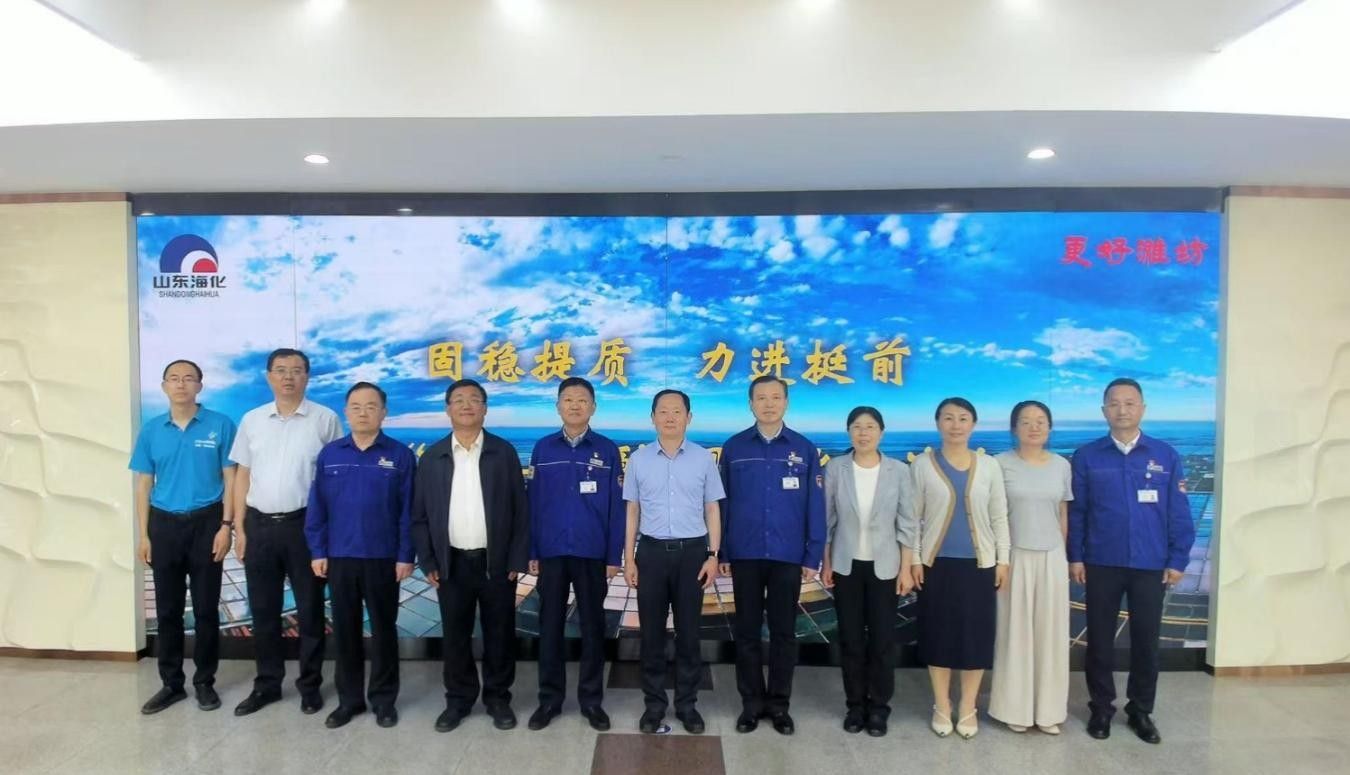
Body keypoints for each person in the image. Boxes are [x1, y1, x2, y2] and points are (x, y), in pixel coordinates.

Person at [1069, 378, 1195, 744]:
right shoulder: (1087, 456)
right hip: (1101, 562)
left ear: (1142, 408)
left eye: (1129, 403)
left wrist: (1178, 558)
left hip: (1150, 564)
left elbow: (1178, 512)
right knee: (1100, 641)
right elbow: (1078, 512)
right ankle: (1101, 709)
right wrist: (1076, 556)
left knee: (1145, 641)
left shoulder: (1165, 455)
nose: (1121, 410)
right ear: (1104, 410)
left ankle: (1140, 711)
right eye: (1114, 403)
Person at [412, 378, 530, 734]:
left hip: (496, 564)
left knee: (499, 634)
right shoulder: (432, 457)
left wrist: (517, 559)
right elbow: (419, 516)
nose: (466, 405)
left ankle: (498, 699)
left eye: (474, 399)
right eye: (459, 400)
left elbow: (521, 510)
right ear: (448, 409)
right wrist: (428, 561)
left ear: (485, 408)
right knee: (455, 636)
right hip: (451, 564)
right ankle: (458, 700)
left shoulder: (503, 452)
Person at [229, 348, 342, 717]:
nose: (288, 377)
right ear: (269, 377)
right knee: (263, 610)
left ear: (307, 377)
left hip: (305, 527)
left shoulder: (325, 420)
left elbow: (334, 479)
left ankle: (310, 686)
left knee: (310, 611)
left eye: (296, 370)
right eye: (280, 370)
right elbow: (242, 475)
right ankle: (267, 685)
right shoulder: (252, 420)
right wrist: (239, 528)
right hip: (259, 525)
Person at [718, 375, 826, 736]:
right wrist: (722, 551)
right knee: (747, 633)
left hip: (787, 555)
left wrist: (812, 555)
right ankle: (751, 705)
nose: (768, 404)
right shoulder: (734, 447)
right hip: (745, 554)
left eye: (775, 397)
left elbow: (815, 505)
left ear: (786, 402)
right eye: (761, 398)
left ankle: (779, 706)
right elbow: (722, 504)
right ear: (750, 404)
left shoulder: (804, 449)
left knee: (783, 634)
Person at [305, 381, 415, 729]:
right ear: (346, 412)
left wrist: (405, 555)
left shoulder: (400, 455)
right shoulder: (330, 454)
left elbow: (409, 511)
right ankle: (349, 701)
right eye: (356, 406)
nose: (363, 412)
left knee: (383, 631)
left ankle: (383, 700)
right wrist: (318, 551)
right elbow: (318, 507)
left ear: (384, 413)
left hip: (383, 558)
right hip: (340, 557)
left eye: (371, 406)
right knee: (345, 632)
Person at [131, 359, 237, 715]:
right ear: (164, 386)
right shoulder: (151, 430)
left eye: (188, 378)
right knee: (168, 610)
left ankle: (205, 682)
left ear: (199, 386)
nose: (181, 384)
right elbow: (143, 484)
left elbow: (231, 478)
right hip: (163, 525)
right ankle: (171, 684)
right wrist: (144, 535)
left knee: (206, 609)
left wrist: (226, 526)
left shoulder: (220, 425)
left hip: (208, 522)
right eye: (174, 379)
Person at [623, 389, 724, 735]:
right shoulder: (638, 459)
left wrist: (713, 555)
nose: (670, 417)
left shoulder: (703, 458)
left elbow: (712, 508)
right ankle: (654, 706)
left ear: (688, 417)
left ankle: (687, 705)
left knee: (689, 634)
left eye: (676, 411)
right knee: (651, 634)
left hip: (692, 553)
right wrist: (629, 558)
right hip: (650, 553)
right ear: (652, 417)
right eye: (663, 411)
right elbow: (632, 510)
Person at [525, 377, 623, 732]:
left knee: (592, 627)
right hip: (551, 552)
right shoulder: (543, 448)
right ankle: (549, 700)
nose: (575, 405)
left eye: (582, 400)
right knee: (549, 626)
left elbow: (616, 508)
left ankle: (591, 701)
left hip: (591, 552)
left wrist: (613, 557)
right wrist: (532, 550)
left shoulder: (607, 450)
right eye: (568, 399)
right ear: (558, 406)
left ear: (593, 407)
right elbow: (532, 503)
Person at [910, 397, 1010, 740]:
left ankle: (968, 705)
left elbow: (999, 516)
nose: (956, 425)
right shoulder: (922, 465)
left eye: (963, 418)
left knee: (975, 638)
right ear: (938, 423)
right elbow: (913, 518)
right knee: (938, 635)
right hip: (935, 566)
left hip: (980, 565)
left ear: (973, 424)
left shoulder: (989, 466)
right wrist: (914, 559)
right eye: (949, 418)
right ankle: (942, 704)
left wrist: (1003, 559)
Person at [821, 406, 917, 737]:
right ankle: (855, 706)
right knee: (850, 640)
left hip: (886, 566)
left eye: (870, 426)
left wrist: (906, 568)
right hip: (846, 565)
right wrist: (827, 562)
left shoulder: (898, 471)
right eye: (857, 427)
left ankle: (879, 708)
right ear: (849, 432)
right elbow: (827, 520)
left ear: (881, 432)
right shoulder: (836, 468)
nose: (863, 433)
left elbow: (907, 523)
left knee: (882, 641)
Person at [988, 400, 1071, 735]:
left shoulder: (1062, 466)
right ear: (1014, 429)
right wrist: (1000, 559)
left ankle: (1048, 711)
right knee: (1015, 634)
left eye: (1040, 421)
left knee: (1051, 636)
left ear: (1049, 427)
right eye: (1025, 421)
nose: (1034, 427)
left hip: (1052, 556)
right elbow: (993, 515)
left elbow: (1063, 514)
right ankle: (1015, 710)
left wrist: (1064, 556)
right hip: (1014, 558)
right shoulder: (999, 464)